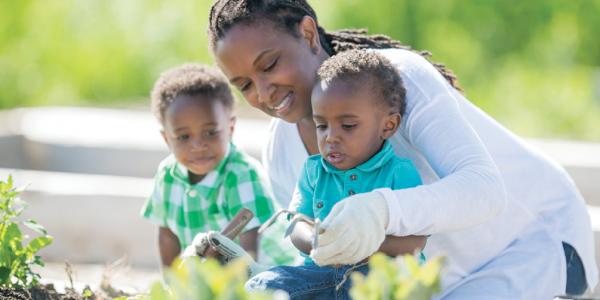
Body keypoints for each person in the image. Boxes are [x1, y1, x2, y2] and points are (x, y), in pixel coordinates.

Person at [207, 1, 597, 298]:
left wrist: (381, 210)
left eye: (270, 64)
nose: (262, 92)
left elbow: (485, 190)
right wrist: (246, 278)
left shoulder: (394, 80)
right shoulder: (282, 149)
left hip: (534, 246)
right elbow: (326, 261)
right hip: (434, 282)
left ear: (308, 34)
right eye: (244, 85)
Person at [246, 50, 427, 299]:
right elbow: (298, 223)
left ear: (388, 125)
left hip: (377, 275)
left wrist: (357, 247)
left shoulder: (399, 172)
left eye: (348, 126)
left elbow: (414, 242)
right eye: (322, 126)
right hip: (322, 273)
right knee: (259, 285)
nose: (331, 137)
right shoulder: (313, 171)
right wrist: (315, 242)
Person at [140, 63, 296, 269]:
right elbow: (167, 236)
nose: (198, 146)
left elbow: (250, 247)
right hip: (211, 271)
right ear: (167, 138)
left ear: (230, 128)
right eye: (184, 136)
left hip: (266, 272)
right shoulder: (167, 175)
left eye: (210, 132)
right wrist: (174, 286)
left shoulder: (241, 174)